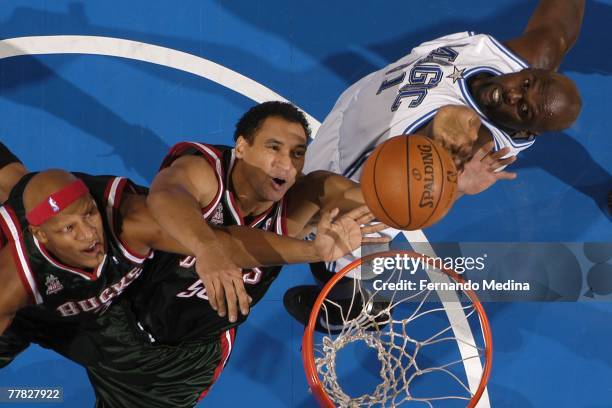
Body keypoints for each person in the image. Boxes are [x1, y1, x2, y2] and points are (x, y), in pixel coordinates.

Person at [0, 101, 390, 407]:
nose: (286, 164)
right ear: (242, 146)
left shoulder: (304, 199)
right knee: (28, 259)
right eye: (274, 148)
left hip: (171, 365)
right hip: (113, 309)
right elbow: (166, 198)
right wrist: (208, 247)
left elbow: (372, 199)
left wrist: (426, 192)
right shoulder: (203, 174)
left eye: (298, 153)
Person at [285, 0, 586, 330]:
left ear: (526, 130)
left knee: (328, 239)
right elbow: (559, 28)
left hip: (362, 173)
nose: (515, 95)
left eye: (524, 110)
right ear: (531, 70)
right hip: (358, 107)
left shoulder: (475, 144)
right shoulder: (531, 54)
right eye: (525, 84)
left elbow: (440, 154)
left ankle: (346, 307)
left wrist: (455, 182)